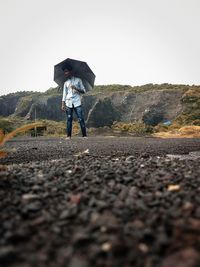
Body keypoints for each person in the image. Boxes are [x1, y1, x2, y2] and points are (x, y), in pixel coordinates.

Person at [61, 66, 87, 139]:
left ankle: (84, 136)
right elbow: (64, 94)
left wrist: (76, 88)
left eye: (66, 71)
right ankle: (68, 136)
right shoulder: (65, 83)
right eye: (64, 72)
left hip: (77, 102)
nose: (65, 73)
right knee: (69, 119)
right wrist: (62, 104)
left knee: (81, 118)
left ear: (70, 71)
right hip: (68, 102)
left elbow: (84, 91)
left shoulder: (78, 80)